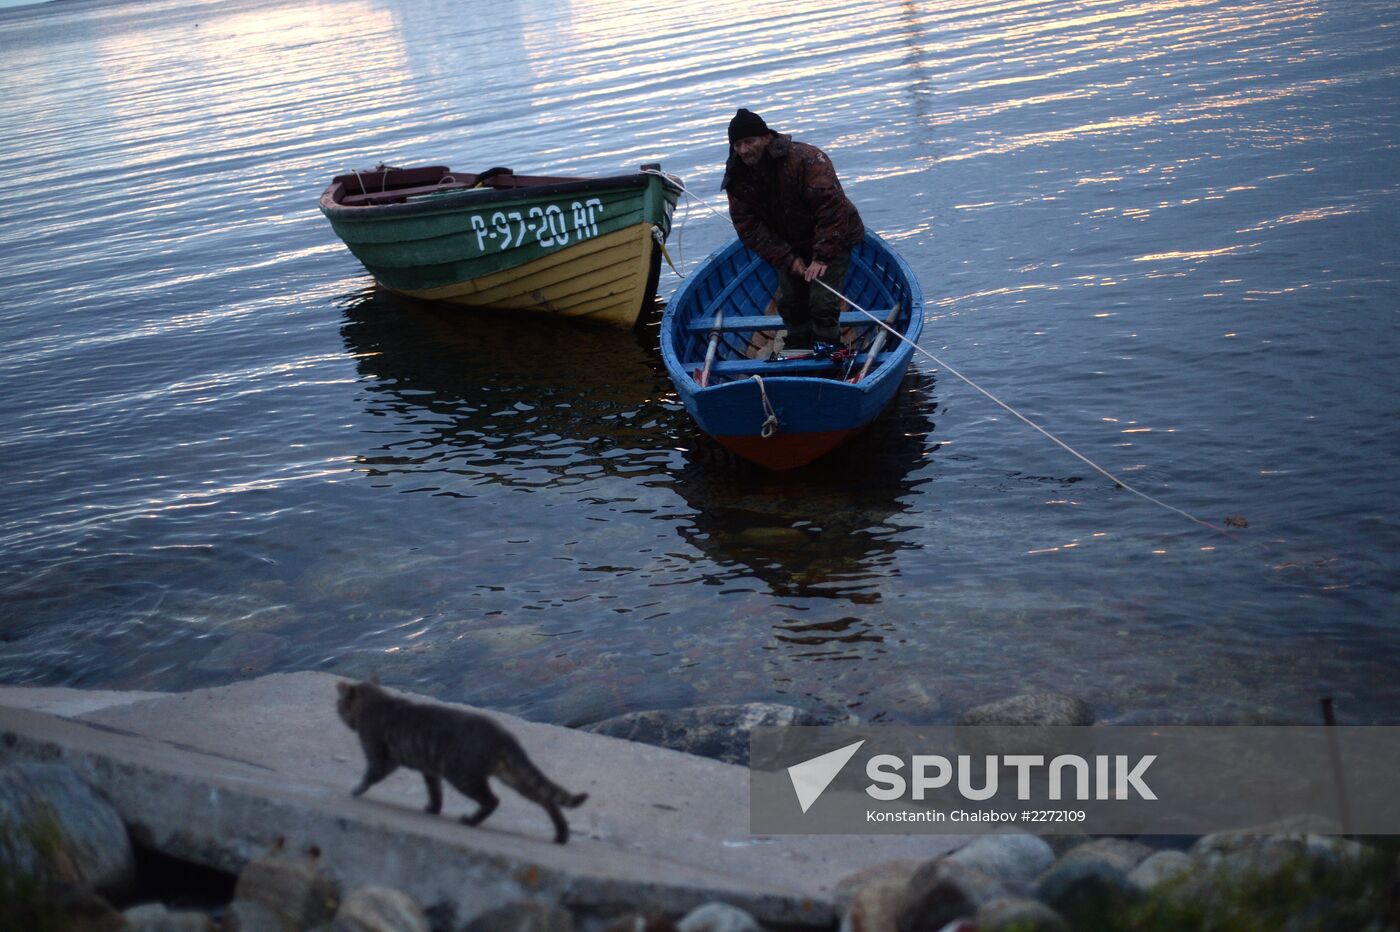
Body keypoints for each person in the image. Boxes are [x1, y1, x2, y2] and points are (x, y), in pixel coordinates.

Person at [721, 108, 865, 352]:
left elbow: (832, 209)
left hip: (834, 238)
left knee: (822, 303)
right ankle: (799, 346)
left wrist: (822, 257)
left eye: (750, 141)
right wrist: (788, 259)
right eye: (738, 144)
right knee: (790, 303)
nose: (744, 150)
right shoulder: (738, 177)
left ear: (766, 137)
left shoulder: (805, 159)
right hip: (790, 245)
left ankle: (827, 348)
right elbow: (749, 228)